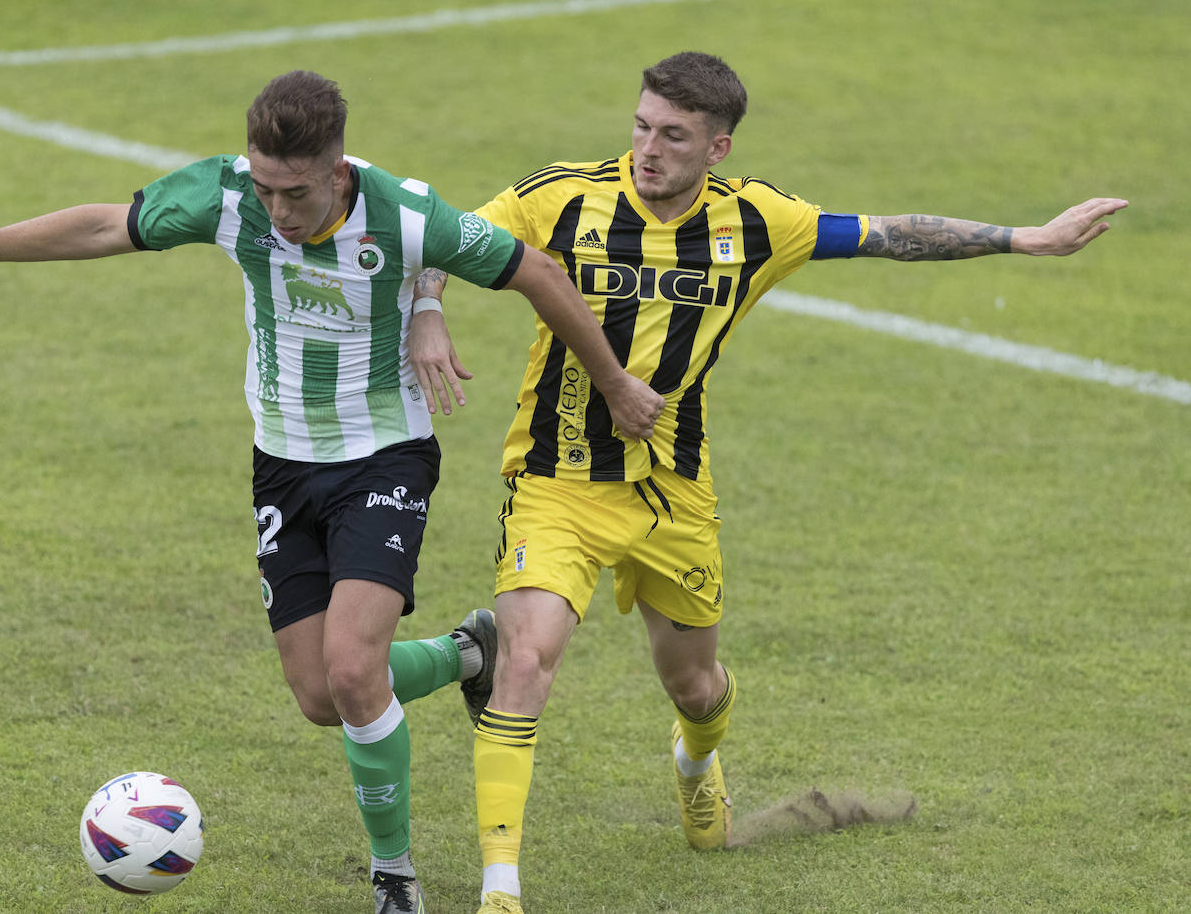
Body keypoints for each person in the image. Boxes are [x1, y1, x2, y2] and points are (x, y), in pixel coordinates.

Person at [0, 70, 665, 914]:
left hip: (382, 460)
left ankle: (395, 876)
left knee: (355, 675)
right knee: (323, 697)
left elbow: (536, 270)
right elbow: (108, 224)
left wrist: (612, 384)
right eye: (266, 187)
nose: (278, 210)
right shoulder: (228, 194)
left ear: (337, 170)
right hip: (281, 464)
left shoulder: (405, 215)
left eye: (295, 191)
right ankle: (468, 654)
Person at [412, 51, 1126, 914]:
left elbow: (888, 233)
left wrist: (1025, 238)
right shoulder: (559, 196)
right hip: (558, 482)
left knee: (697, 688)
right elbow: (437, 237)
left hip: (675, 492)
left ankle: (696, 762)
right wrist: (428, 310)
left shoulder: (760, 220)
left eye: (673, 136)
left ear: (716, 148)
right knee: (526, 662)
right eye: (641, 126)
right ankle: (500, 892)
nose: (647, 149)